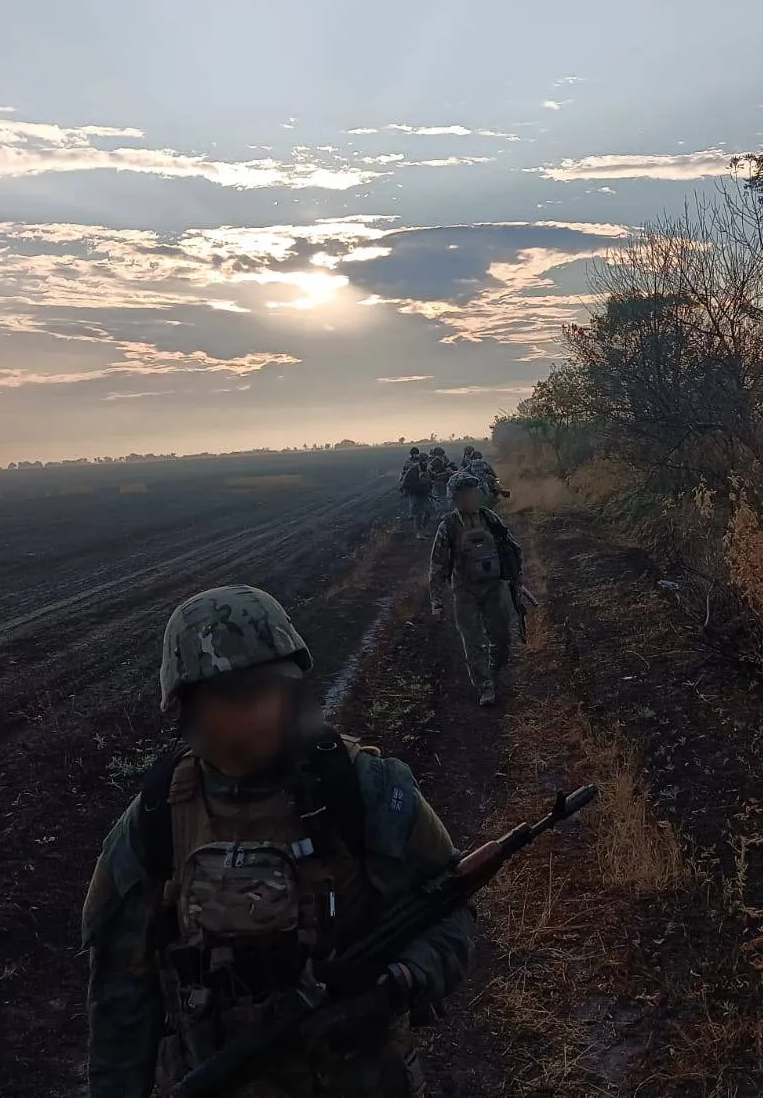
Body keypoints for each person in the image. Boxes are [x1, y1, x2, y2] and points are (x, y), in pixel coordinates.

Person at [83, 585, 474, 1098]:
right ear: (188, 703)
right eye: (237, 695)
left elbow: (450, 909)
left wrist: (398, 980)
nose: (263, 710)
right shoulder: (157, 818)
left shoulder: (361, 789)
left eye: (272, 687)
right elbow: (121, 993)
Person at [428, 473, 524, 706]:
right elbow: (437, 565)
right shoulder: (448, 526)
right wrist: (437, 602)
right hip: (464, 591)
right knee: (473, 641)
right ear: (456, 498)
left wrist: (516, 576)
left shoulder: (489, 518)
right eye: (466, 495)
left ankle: (493, 673)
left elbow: (510, 547)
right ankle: (485, 687)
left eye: (473, 493)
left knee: (501, 638)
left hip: (492, 588)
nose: (471, 498)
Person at [399, 454, 433, 538]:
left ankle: (424, 528)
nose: (427, 462)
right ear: (421, 461)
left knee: (428, 511)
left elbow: (431, 478)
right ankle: (419, 532)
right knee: (418, 513)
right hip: (414, 493)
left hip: (424, 493)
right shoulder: (413, 470)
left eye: (427, 461)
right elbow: (405, 482)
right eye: (425, 461)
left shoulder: (428, 469)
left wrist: (429, 484)